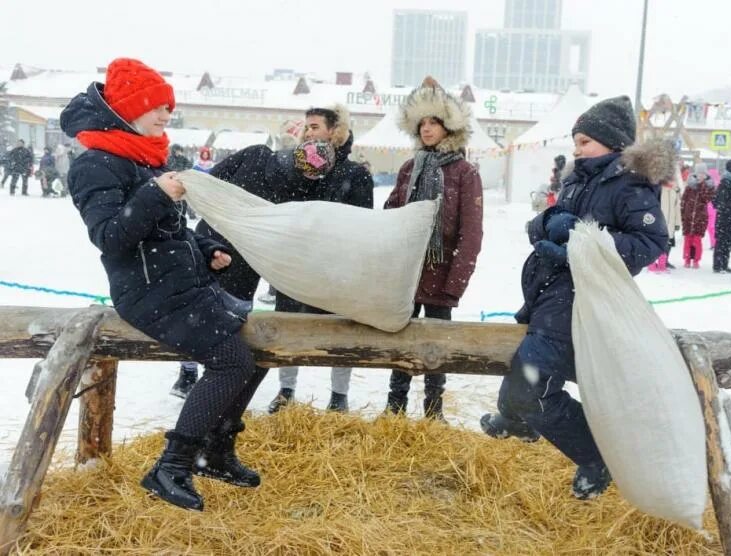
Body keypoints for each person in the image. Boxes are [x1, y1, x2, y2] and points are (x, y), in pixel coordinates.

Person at [60, 58, 263, 511]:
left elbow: (170, 231)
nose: (165, 115)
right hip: (146, 292)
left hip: (179, 286)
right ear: (127, 110)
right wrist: (155, 195)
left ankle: (217, 449)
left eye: (168, 107)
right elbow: (110, 237)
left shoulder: (144, 156)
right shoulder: (96, 164)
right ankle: (172, 465)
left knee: (257, 354)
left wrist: (207, 248)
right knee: (233, 362)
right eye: (155, 106)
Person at [480, 96, 670, 500]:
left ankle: (595, 455)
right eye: (576, 140)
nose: (576, 148)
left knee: (532, 378)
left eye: (584, 141)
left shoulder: (629, 184)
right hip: (551, 293)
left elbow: (651, 242)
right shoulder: (578, 177)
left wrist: (579, 240)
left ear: (611, 142)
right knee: (528, 364)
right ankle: (518, 418)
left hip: (582, 298)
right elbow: (548, 221)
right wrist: (549, 223)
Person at [173, 104, 373, 413]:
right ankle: (198, 376)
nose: (307, 132)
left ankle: (335, 396)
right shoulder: (263, 159)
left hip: (284, 260)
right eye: (305, 127)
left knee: (332, 327)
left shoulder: (342, 175)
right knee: (214, 315)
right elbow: (213, 180)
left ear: (335, 131)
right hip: (230, 248)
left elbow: (351, 223)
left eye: (315, 127)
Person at [383, 77, 484, 421]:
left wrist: (454, 283)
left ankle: (433, 411)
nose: (427, 129)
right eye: (422, 123)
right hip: (406, 275)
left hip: (441, 275)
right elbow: (391, 217)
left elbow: (471, 234)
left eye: (434, 122)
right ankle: (394, 408)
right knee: (401, 341)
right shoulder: (409, 168)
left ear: (449, 127)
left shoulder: (464, 172)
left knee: (435, 348)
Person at [680, 163, 715, 268]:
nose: (701, 175)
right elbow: (684, 200)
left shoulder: (708, 187)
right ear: (696, 174)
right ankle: (687, 259)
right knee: (687, 240)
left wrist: (702, 185)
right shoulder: (690, 186)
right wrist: (683, 214)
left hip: (701, 218)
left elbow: (706, 199)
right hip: (688, 216)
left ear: (706, 175)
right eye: (699, 173)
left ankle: (696, 260)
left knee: (697, 240)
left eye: (703, 174)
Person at [648, 168, 682, 272]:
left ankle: (663, 264)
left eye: (672, 178)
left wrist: (677, 223)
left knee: (666, 245)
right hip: (658, 222)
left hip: (670, 223)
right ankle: (652, 264)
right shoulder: (658, 189)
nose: (671, 180)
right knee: (655, 243)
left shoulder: (674, 191)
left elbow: (677, 208)